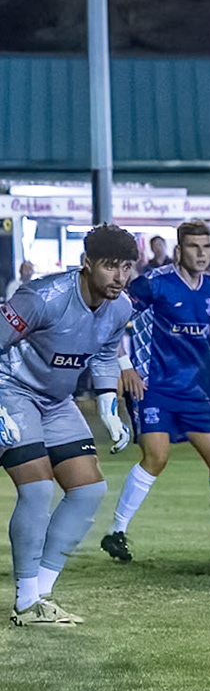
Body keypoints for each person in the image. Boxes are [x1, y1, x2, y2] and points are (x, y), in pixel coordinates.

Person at [0, 225, 139, 625]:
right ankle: (25, 604)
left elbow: (105, 353)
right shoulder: (42, 297)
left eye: (126, 267)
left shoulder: (121, 307)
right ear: (87, 263)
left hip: (56, 401)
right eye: (110, 266)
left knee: (88, 490)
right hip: (11, 389)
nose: (119, 276)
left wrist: (109, 406)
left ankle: (41, 595)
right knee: (39, 488)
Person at [100, 220, 210, 564]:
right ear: (178, 250)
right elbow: (110, 318)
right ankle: (116, 532)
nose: (201, 254)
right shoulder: (153, 285)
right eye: (193, 247)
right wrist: (124, 366)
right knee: (156, 457)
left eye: (206, 247)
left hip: (190, 389)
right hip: (151, 384)